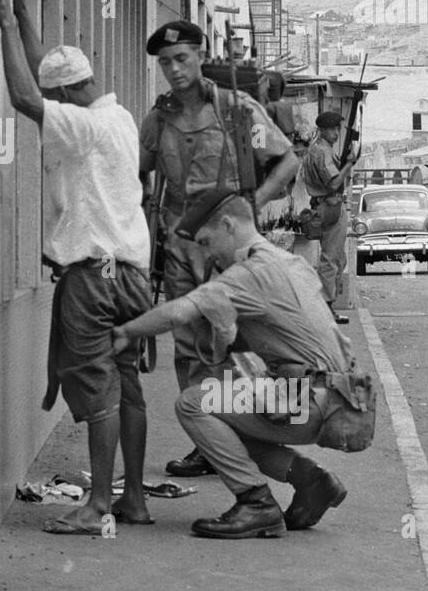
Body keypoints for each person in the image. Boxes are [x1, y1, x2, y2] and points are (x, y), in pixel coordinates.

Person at [0, 0, 151, 535]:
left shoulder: (83, 127)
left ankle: (99, 507)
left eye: (55, 96)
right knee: (128, 384)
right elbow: (46, 79)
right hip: (132, 274)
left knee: (98, 387)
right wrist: (28, 16)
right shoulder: (119, 117)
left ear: (67, 95)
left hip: (94, 278)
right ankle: (133, 497)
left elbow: (23, 92)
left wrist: (6, 26)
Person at [111, 191, 354, 539]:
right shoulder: (287, 262)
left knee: (194, 403)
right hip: (341, 397)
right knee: (228, 421)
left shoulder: (247, 273)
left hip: (310, 398)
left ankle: (256, 503)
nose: (207, 253)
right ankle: (313, 482)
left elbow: (178, 310)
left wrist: (125, 332)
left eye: (207, 242)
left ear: (228, 225)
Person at [140, 23, 299, 479]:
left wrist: (255, 201)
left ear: (199, 56)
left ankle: (244, 435)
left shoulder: (235, 111)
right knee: (189, 348)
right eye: (165, 63)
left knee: (235, 342)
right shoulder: (160, 119)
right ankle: (208, 443)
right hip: (179, 249)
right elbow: (139, 171)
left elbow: (286, 160)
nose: (174, 69)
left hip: (227, 251)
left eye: (181, 59)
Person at [299, 110, 360, 323]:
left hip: (328, 205)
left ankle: (326, 304)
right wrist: (349, 164)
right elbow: (334, 183)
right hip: (330, 204)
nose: (336, 133)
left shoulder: (319, 150)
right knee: (330, 259)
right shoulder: (321, 151)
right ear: (323, 130)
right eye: (333, 129)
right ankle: (325, 308)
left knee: (337, 258)